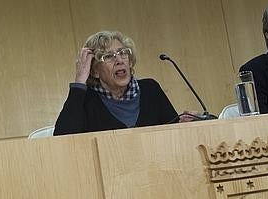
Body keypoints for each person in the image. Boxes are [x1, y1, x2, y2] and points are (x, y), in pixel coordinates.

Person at [54, 31, 184, 135]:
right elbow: (63, 139)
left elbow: (173, 132)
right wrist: (79, 83)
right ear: (95, 71)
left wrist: (187, 122)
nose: (119, 60)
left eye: (123, 53)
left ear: (130, 61)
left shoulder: (150, 90)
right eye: (109, 56)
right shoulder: (86, 100)